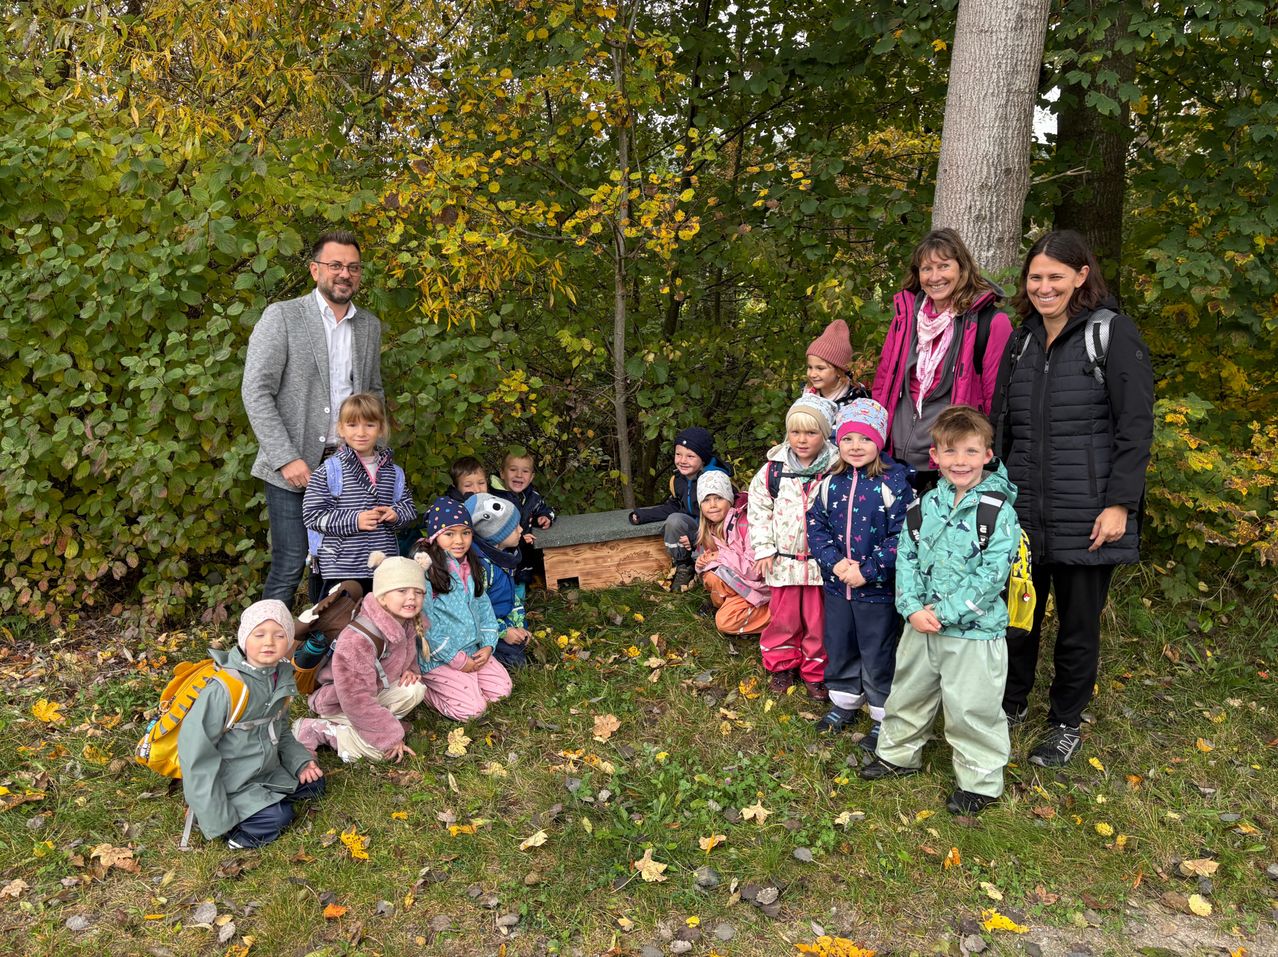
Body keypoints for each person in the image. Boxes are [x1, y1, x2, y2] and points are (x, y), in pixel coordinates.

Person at [992, 229, 1154, 768]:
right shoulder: (1021, 341)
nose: (1043, 287)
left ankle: (1064, 723)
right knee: (1018, 619)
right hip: (1023, 512)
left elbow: (1135, 428)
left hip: (1090, 513)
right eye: (1035, 277)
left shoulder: (1111, 335)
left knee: (1079, 627)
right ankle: (1010, 707)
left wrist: (1120, 505)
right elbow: (1003, 427)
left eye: (1055, 277)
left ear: (1081, 276)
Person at [859, 406, 1021, 816]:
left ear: (987, 454)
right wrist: (911, 608)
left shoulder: (997, 511)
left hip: (973, 633)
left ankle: (980, 782)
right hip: (921, 626)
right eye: (950, 452)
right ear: (935, 456)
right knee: (908, 694)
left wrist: (945, 612)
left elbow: (992, 574)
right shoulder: (926, 504)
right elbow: (907, 557)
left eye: (970, 451)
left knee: (972, 708)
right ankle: (897, 755)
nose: (960, 461)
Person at [243, 230, 383, 607]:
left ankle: (324, 655)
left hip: (349, 466)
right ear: (314, 269)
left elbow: (373, 394)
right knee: (291, 562)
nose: (345, 274)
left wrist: (376, 458)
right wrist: (285, 458)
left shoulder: (368, 326)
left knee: (340, 565)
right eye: (335, 265)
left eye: (353, 267)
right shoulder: (283, 317)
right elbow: (256, 391)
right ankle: (261, 657)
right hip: (293, 464)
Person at [806, 399, 912, 748]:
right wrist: (834, 563)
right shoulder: (828, 483)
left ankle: (884, 712)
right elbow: (815, 526)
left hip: (876, 591)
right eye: (848, 439)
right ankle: (844, 701)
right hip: (838, 588)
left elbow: (905, 535)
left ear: (878, 442)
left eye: (864, 440)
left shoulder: (893, 485)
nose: (855, 447)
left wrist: (868, 570)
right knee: (840, 645)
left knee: (878, 651)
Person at [871, 228, 1012, 491]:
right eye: (926, 268)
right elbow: (883, 384)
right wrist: (876, 438)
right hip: (896, 458)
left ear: (962, 268)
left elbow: (998, 402)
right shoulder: (905, 320)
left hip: (953, 462)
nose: (934, 277)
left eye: (944, 266)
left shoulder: (991, 323)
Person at [177, 600, 324, 848]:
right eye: (259, 634)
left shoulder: (280, 677)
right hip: (231, 781)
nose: (269, 642)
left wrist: (300, 762)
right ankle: (237, 834)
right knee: (280, 816)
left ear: (288, 642)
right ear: (244, 638)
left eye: (279, 635)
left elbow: (281, 731)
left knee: (315, 783)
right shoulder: (224, 689)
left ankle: (267, 800)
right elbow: (196, 756)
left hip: (264, 769)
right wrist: (215, 817)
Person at [293, 554, 429, 763]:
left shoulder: (406, 621)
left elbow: (406, 652)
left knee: (414, 688)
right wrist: (389, 737)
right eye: (402, 590)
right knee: (379, 754)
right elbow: (355, 697)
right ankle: (319, 729)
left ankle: (367, 725)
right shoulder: (357, 639)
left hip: (372, 689)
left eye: (418, 592)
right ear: (382, 596)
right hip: (337, 701)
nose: (412, 597)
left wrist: (411, 668)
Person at [748, 394, 839, 698]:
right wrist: (763, 549)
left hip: (820, 563)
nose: (802, 440)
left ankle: (815, 672)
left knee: (817, 621)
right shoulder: (773, 471)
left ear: (824, 434)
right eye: (795, 432)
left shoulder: (835, 470)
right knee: (784, 618)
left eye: (811, 433)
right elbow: (758, 511)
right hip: (782, 561)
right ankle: (781, 664)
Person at [301, 393, 417, 598]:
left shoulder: (393, 472)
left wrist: (396, 514)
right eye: (353, 425)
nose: (361, 432)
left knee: (380, 623)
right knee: (340, 623)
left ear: (381, 428)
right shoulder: (329, 471)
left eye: (369, 425)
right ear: (341, 429)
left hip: (383, 567)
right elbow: (312, 516)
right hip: (341, 568)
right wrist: (355, 519)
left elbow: (408, 509)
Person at [412, 497, 512, 720]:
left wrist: (487, 645)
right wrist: (456, 660)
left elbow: (485, 610)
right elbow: (426, 627)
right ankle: (428, 691)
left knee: (502, 691)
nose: (459, 540)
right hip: (440, 658)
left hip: (472, 650)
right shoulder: (427, 573)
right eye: (450, 534)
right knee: (471, 711)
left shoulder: (471, 566)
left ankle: (468, 683)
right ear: (436, 537)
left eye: (465, 533)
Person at [629, 426, 732, 593]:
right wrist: (643, 515)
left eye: (690, 456)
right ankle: (683, 565)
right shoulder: (679, 479)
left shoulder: (714, 480)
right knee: (675, 521)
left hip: (718, 531)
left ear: (703, 458)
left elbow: (721, 515)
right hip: (696, 531)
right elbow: (676, 506)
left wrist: (695, 536)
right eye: (678, 454)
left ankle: (712, 570)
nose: (683, 460)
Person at [692, 471, 771, 637]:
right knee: (711, 577)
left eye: (718, 498)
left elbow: (755, 570)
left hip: (762, 588)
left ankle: (779, 615)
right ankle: (732, 606)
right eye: (706, 500)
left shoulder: (746, 524)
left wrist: (719, 557)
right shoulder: (712, 527)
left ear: (729, 499)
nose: (712, 505)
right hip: (742, 584)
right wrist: (703, 562)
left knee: (725, 622)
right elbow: (717, 561)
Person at [465, 493, 532, 668]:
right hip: (484, 630)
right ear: (495, 535)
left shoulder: (503, 557)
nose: (521, 530)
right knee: (516, 662)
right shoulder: (481, 568)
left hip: (501, 619)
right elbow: (476, 612)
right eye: (514, 527)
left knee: (521, 650)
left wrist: (519, 626)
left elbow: (510, 597)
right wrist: (503, 632)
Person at [491, 450, 557, 597]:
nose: (519, 475)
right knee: (501, 584)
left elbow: (545, 509)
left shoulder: (532, 497)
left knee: (520, 580)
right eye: (513, 470)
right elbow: (488, 528)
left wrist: (545, 516)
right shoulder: (493, 499)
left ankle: (519, 607)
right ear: (502, 473)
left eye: (525, 471)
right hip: (501, 554)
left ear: (532, 477)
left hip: (523, 554)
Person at [804, 318, 870, 416]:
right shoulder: (807, 395)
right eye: (810, 367)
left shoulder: (856, 401)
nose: (812, 374)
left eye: (820, 368)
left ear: (839, 371)